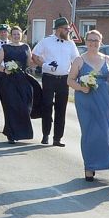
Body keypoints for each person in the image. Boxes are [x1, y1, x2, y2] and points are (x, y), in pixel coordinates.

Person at [66, 30, 109, 181]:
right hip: (85, 100)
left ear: (101, 42)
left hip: (103, 99)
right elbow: (70, 80)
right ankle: (89, 167)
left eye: (96, 40)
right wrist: (81, 87)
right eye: (90, 40)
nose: (93, 43)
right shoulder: (79, 60)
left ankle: (104, 161)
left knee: (104, 131)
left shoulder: (107, 59)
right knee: (89, 132)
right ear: (86, 41)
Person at [32, 17, 80, 146]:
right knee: (47, 105)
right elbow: (34, 55)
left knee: (61, 108)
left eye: (68, 29)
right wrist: (45, 65)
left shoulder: (71, 44)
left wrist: (79, 75)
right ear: (59, 29)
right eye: (66, 29)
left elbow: (76, 61)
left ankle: (57, 138)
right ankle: (45, 134)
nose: (68, 31)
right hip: (49, 78)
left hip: (64, 79)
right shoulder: (46, 41)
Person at [0, 25, 35, 143]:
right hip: (8, 81)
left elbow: (29, 64)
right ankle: (11, 134)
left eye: (18, 34)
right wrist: (5, 70)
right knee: (11, 106)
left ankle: (22, 132)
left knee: (24, 106)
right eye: (14, 34)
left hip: (22, 80)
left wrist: (39, 62)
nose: (16, 36)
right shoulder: (5, 47)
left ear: (21, 35)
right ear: (11, 35)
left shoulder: (26, 47)